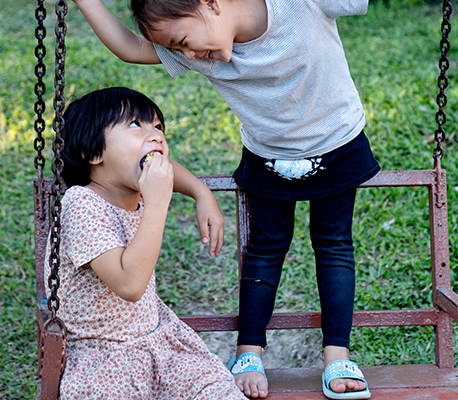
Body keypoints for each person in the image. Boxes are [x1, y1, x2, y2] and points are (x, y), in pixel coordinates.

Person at [71, 0, 379, 398]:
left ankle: (337, 355)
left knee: (334, 245)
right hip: (267, 157)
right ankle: (248, 352)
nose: (187, 56)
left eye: (183, 42)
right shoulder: (203, 51)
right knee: (264, 249)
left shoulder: (303, 4)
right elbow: (131, 47)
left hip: (338, 144)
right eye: (178, 49)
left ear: (212, 3)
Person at [49, 86, 247, 400]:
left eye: (158, 127)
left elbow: (168, 166)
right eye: (135, 125)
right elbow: (129, 285)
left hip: (159, 348)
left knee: (215, 389)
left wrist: (201, 193)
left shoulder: (133, 188)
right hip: (103, 361)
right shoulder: (81, 203)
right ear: (93, 152)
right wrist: (157, 203)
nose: (156, 135)